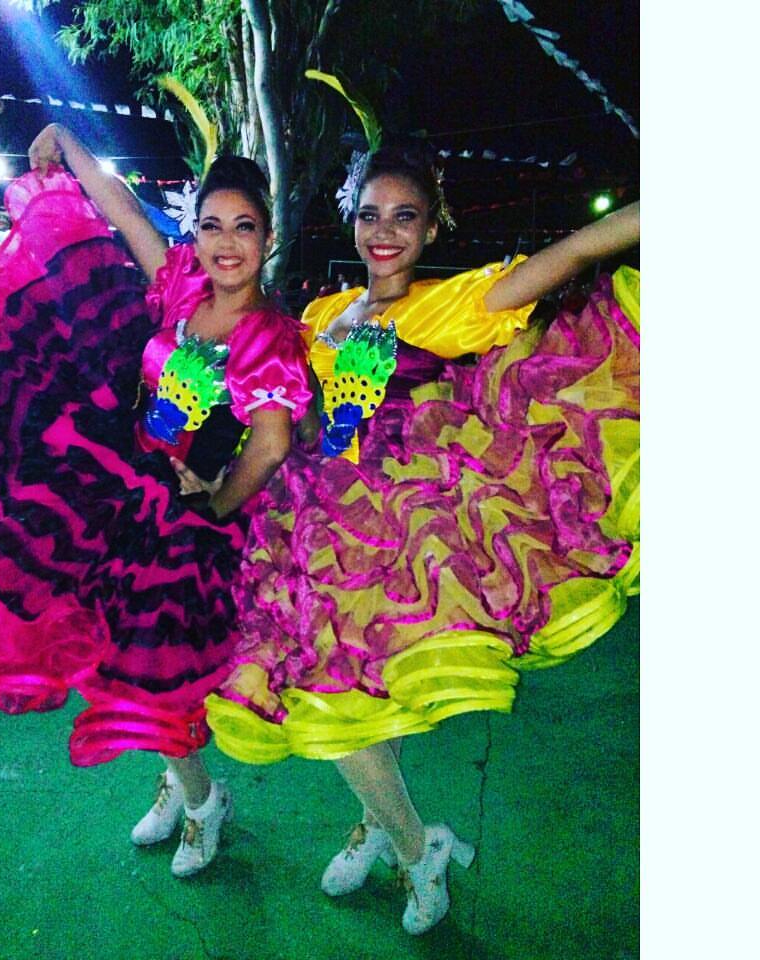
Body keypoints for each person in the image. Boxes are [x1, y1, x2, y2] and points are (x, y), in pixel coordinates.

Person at [203, 145, 640, 934]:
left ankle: (414, 847)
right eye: (371, 214)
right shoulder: (319, 314)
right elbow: (283, 406)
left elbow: (577, 250)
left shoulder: (458, 301)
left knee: (337, 697)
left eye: (405, 217)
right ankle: (381, 824)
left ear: (433, 228)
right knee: (364, 684)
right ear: (352, 219)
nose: (385, 232)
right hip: (315, 518)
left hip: (405, 517)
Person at [0, 123, 313, 878]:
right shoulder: (183, 284)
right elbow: (125, 210)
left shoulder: (268, 335)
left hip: (185, 528)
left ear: (268, 237)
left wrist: (215, 506)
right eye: (211, 226)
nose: (225, 244)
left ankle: (203, 803)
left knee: (149, 678)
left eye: (244, 228)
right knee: (104, 656)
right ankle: (183, 785)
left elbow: (269, 445)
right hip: (118, 488)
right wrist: (66, 141)